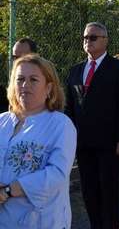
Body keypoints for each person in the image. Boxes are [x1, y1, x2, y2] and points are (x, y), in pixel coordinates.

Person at [65, 22, 119, 228]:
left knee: (108, 191)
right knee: (89, 191)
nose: (88, 41)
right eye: (85, 37)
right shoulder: (75, 70)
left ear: (105, 41)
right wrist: (69, 137)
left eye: (93, 37)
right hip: (83, 142)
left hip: (110, 142)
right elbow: (70, 107)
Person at [0, 54, 77, 229]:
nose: (25, 85)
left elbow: (57, 174)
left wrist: (8, 191)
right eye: (20, 79)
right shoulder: (2, 121)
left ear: (49, 88)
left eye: (33, 80)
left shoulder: (60, 125)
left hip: (40, 221)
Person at [0, 38, 38, 113]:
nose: (17, 61)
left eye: (22, 57)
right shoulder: (12, 80)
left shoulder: (45, 77)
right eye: (15, 57)